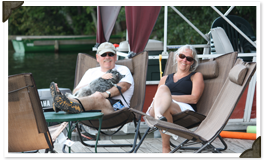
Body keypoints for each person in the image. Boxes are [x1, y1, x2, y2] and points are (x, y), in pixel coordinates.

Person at [146, 45, 204, 153]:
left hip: (184, 109)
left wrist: (168, 98)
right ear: (177, 57)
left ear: (192, 62)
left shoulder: (195, 76)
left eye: (189, 58)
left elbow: (194, 99)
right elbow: (156, 98)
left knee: (165, 103)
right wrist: (164, 99)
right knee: (163, 89)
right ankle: (159, 116)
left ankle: (165, 148)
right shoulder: (164, 78)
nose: (184, 60)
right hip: (159, 108)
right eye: (182, 56)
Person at [50, 42, 134, 115]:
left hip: (117, 109)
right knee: (83, 94)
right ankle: (64, 102)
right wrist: (97, 80)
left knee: (97, 96)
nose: (107, 57)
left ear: (115, 57)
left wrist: (105, 94)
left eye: (110, 54)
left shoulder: (122, 70)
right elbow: (76, 91)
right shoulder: (91, 72)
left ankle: (64, 104)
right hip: (90, 108)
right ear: (97, 57)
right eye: (103, 54)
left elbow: (124, 86)